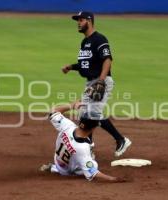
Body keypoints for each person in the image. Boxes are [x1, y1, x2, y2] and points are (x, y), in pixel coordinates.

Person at [62, 11, 131, 157]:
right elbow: (85, 64)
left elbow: (107, 59)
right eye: (77, 20)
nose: (78, 23)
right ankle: (89, 147)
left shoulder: (99, 39)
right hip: (90, 83)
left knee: (93, 114)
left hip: (101, 81)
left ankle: (121, 140)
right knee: (84, 113)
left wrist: (101, 81)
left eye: (81, 20)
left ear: (89, 21)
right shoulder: (85, 42)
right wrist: (71, 67)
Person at [40, 101, 130, 182]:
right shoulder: (82, 148)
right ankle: (54, 169)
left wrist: (72, 105)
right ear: (94, 128)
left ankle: (55, 167)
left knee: (77, 154)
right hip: (66, 171)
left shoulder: (68, 125)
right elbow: (93, 173)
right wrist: (114, 179)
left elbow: (53, 111)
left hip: (58, 159)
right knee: (93, 164)